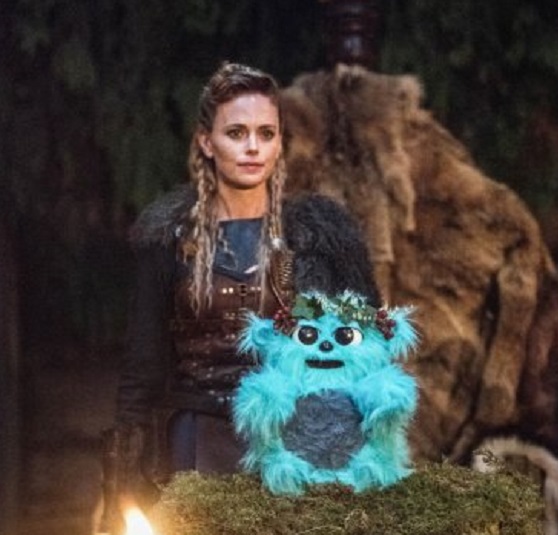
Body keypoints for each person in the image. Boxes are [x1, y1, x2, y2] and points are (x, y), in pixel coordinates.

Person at [99, 62, 381, 524]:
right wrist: (124, 474)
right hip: (198, 440)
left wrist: (365, 451)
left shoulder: (320, 236)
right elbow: (142, 367)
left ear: (280, 143)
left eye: (266, 133)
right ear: (206, 142)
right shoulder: (169, 238)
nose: (253, 147)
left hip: (296, 443)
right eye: (236, 133)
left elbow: (367, 352)